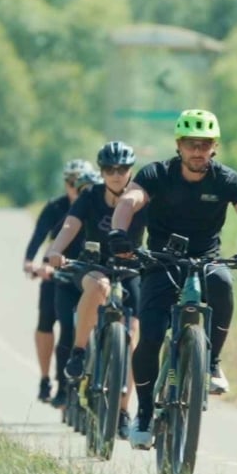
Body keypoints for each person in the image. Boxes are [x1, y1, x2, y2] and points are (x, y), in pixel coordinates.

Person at [106, 109, 237, 449]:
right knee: (151, 337)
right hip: (160, 261)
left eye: (205, 144)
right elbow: (130, 199)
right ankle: (143, 415)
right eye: (191, 144)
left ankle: (211, 363)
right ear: (179, 145)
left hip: (206, 260)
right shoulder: (157, 174)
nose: (198, 151)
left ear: (215, 147)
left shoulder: (227, 180)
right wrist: (118, 233)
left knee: (223, 283)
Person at [44, 140, 147, 439]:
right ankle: (78, 353)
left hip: (130, 269)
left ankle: (123, 411)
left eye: (122, 168)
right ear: (101, 171)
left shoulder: (141, 197)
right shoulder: (89, 196)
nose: (116, 174)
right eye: (109, 169)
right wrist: (56, 250)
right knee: (98, 286)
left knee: (134, 335)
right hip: (93, 266)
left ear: (131, 170)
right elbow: (69, 225)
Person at [23, 159, 94, 403]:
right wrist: (30, 261)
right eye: (72, 182)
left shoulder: (96, 204)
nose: (77, 187)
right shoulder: (56, 207)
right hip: (57, 271)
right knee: (46, 322)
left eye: (83, 182)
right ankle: (46, 379)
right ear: (66, 183)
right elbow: (38, 236)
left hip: (88, 272)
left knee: (74, 327)